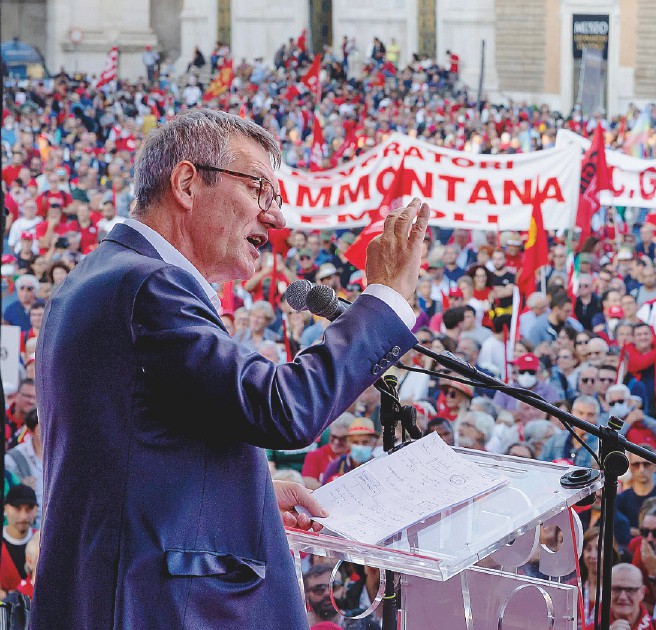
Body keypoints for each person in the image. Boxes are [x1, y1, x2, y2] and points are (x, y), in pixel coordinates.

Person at [33, 110, 428, 628]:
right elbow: (283, 409)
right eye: (259, 189)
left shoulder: (103, 276)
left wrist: (248, 494)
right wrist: (384, 301)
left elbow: (133, 449)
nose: (277, 217)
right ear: (188, 182)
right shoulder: (149, 285)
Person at [587, 563, 656, 630]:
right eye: (617, 589)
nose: (622, 597)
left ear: (642, 593)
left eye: (630, 590)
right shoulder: (591, 628)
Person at [1, 485, 38, 592]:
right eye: (17, 508)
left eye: (29, 509)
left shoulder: (43, 542)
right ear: (5, 509)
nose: (23, 517)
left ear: (36, 510)